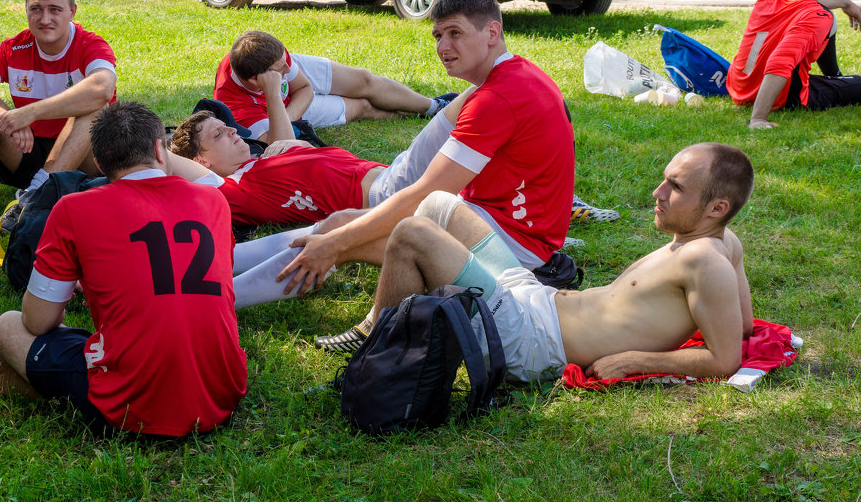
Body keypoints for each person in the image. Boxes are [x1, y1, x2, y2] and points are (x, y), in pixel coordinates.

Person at [264, 0, 575, 334]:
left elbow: (424, 194)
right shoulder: (515, 74)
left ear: (492, 33)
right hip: (505, 224)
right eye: (438, 35)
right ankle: (228, 274)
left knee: (361, 233)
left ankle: (367, 330)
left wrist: (335, 244)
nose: (443, 47)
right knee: (344, 223)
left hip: (517, 245)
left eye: (455, 33)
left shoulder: (497, 98)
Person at [323, 143, 754, 385]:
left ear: (717, 206)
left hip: (532, 341)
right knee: (440, 204)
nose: (658, 192)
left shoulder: (705, 261)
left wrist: (637, 360)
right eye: (665, 179)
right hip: (535, 299)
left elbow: (725, 358)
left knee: (412, 235)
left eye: (675, 187)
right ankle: (381, 333)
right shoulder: (724, 241)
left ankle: (373, 365)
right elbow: (746, 326)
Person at [0, 102, 247, 436]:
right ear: (159, 151)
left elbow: (37, 321)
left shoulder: (74, 208)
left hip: (136, 405)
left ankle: (42, 388)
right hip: (223, 391)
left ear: (99, 163)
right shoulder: (214, 202)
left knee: (7, 326)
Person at [0, 0, 116, 232]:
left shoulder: (90, 44)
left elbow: (102, 88)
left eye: (54, 10)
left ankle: (34, 198)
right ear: (26, 10)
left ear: (72, 12)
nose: (44, 19)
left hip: (82, 160)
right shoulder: (15, 47)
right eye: (36, 9)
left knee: (96, 108)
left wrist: (29, 113)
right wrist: (3, 118)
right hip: (26, 150)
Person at [167, 93, 461, 228]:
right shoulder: (234, 191)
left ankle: (502, 71)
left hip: (393, 175)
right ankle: (502, 68)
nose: (231, 129)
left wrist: (299, 144)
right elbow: (164, 160)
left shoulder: (259, 161)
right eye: (218, 134)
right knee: (464, 111)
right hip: (388, 194)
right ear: (201, 162)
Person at [213, 30, 454, 142]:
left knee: (364, 81)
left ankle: (435, 106)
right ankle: (410, 112)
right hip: (279, 113)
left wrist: (288, 114)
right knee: (360, 107)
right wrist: (274, 96)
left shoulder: (267, 53)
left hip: (290, 111)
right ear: (257, 80)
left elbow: (304, 87)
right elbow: (281, 144)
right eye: (280, 70)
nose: (288, 70)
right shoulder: (236, 106)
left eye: (285, 62)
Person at [727, 0, 861, 128]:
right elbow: (779, 63)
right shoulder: (817, 17)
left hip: (740, 86)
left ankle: (834, 77)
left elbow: (808, 0)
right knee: (826, 18)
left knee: (827, 17)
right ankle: (836, 80)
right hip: (782, 96)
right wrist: (758, 118)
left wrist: (846, 3)